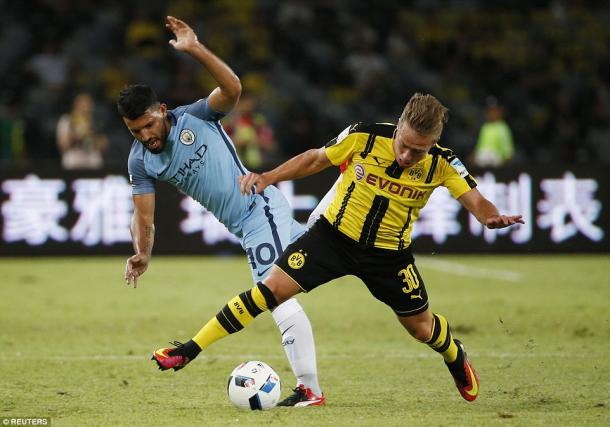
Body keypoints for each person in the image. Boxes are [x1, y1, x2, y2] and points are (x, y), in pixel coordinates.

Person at [155, 93, 525, 403]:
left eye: (419, 151)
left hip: (388, 256)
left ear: (433, 145)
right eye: (404, 145)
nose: (407, 157)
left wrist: (490, 217)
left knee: (421, 328)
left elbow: (476, 200)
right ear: (398, 126)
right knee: (268, 293)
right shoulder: (364, 136)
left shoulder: (442, 163)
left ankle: (454, 354)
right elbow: (315, 159)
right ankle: (189, 349)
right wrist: (268, 177)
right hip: (332, 238)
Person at [118, 16, 324, 407]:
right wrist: (143, 252)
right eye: (135, 131)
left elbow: (233, 88)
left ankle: (310, 389)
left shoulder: (196, 116)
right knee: (301, 271)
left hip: (259, 209)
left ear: (162, 110)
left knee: (273, 295)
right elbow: (143, 216)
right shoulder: (141, 162)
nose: (145, 136)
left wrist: (195, 48)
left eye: (148, 124)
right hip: (246, 226)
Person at [56, 92, 108, 170]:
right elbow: (63, 144)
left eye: (89, 104)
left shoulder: (95, 121)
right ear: (76, 105)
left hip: (93, 165)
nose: (87, 107)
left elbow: (104, 145)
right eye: (83, 104)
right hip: (73, 164)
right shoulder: (67, 120)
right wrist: (78, 135)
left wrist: (93, 135)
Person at [472, 96, 515, 168]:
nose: (491, 113)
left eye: (494, 110)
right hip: (482, 163)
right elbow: (479, 150)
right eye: (489, 110)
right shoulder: (485, 127)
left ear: (500, 111)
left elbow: (508, 154)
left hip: (497, 164)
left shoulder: (503, 128)